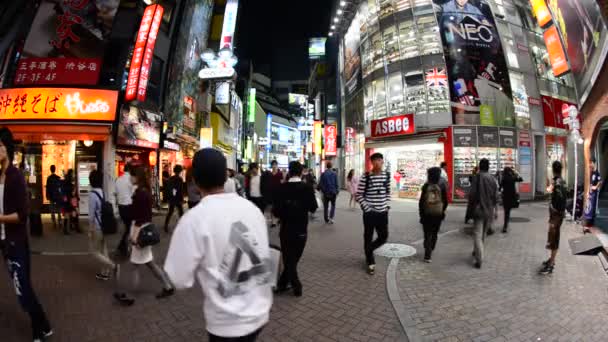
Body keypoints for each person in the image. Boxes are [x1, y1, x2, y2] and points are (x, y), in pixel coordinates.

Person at [164, 148, 273, 342]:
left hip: (227, 323)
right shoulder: (252, 209)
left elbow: (179, 278)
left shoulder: (194, 219)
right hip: (260, 311)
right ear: (225, 176)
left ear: (194, 180)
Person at [0, 127, 53, 341]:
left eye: (0, 146)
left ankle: (39, 331)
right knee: (22, 288)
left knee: (23, 290)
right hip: (4, 242)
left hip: (16, 242)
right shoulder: (0, 176)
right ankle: (44, 326)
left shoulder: (16, 177)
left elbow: (22, 215)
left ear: (7, 149)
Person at [114, 166, 174, 305]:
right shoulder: (145, 191)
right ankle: (167, 286)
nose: (129, 178)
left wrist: (133, 236)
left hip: (140, 230)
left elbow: (138, 218)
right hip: (145, 229)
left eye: (131, 176)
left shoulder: (139, 193)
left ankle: (130, 295)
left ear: (137, 177)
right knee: (149, 263)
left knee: (136, 265)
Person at [273, 161, 318, 297]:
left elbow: (276, 211)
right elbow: (313, 207)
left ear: (289, 172)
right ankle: (295, 285)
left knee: (289, 258)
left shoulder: (281, 188)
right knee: (294, 258)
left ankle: (284, 284)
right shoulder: (307, 188)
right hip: (301, 230)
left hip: (286, 229)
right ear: (301, 172)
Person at [356, 153, 391, 275]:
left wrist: (386, 206)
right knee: (368, 236)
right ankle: (370, 262)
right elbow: (358, 194)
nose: (377, 163)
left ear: (382, 162)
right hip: (370, 213)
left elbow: (387, 192)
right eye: (374, 161)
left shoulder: (387, 176)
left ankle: (368, 250)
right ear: (371, 163)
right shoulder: (366, 177)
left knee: (383, 236)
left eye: (379, 161)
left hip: (382, 213)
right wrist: (367, 208)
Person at [88, 169, 119, 280]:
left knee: (94, 252)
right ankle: (104, 273)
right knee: (103, 249)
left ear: (91, 181)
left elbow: (91, 215)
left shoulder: (92, 194)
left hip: (97, 227)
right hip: (104, 225)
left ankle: (113, 266)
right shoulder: (102, 192)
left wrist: (90, 230)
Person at [467, 159, 498, 269]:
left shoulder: (477, 177)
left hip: (479, 209)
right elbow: (496, 197)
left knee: (477, 234)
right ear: (488, 167)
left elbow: (472, 195)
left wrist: (469, 212)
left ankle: (479, 258)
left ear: (480, 167)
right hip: (489, 210)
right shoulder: (492, 179)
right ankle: (477, 251)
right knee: (483, 233)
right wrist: (496, 211)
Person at [539, 161, 568, 275]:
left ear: (553, 169)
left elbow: (560, 200)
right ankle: (551, 260)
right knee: (553, 238)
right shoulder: (561, 181)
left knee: (554, 238)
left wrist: (555, 210)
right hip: (557, 215)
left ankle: (551, 265)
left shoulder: (558, 182)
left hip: (556, 216)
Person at [419, 167, 449, 263]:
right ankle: (431, 247)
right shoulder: (442, 186)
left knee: (427, 234)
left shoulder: (426, 186)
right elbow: (446, 201)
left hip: (427, 214)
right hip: (438, 214)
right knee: (435, 232)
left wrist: (421, 213)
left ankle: (427, 255)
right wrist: (442, 210)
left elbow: (421, 202)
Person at [115, 163, 135, 257]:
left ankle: (122, 246)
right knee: (129, 227)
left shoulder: (118, 179)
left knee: (127, 226)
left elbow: (115, 193)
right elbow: (134, 193)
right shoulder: (131, 180)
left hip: (121, 207)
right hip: (129, 206)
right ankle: (123, 246)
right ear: (130, 170)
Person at [500, 167, 522, 234]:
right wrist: (516, 173)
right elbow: (521, 179)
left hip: (505, 197)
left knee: (506, 212)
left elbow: (500, 188)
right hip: (511, 197)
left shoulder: (503, 178)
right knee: (508, 211)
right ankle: (505, 225)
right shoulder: (512, 178)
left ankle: (505, 226)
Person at [583, 157, 603, 233]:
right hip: (590, 193)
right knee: (588, 208)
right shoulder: (592, 173)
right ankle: (588, 226)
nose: (590, 164)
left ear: (594, 163)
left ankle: (590, 226)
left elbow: (600, 181)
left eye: (591, 163)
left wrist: (596, 187)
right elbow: (589, 184)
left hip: (594, 194)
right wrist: (588, 192)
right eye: (590, 163)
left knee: (593, 209)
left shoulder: (597, 172)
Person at [164, 165, 184, 233]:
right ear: (180, 171)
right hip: (177, 198)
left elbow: (170, 188)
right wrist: (181, 198)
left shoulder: (171, 178)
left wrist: (171, 196)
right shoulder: (180, 179)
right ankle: (182, 226)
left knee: (170, 211)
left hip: (172, 197)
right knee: (181, 212)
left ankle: (166, 225)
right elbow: (180, 190)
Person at [264, 160, 283, 227]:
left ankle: (278, 218)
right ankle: (273, 221)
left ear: (277, 165)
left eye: (275, 165)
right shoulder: (269, 173)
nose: (274, 166)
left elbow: (282, 182)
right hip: (271, 192)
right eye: (273, 165)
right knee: (272, 207)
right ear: (271, 166)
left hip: (278, 192)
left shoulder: (280, 173)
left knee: (278, 206)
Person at [61, 169, 80, 234]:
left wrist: (65, 199)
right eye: (73, 174)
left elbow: (64, 192)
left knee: (69, 213)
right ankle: (75, 227)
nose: (74, 175)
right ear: (71, 174)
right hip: (71, 199)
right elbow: (73, 193)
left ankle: (67, 228)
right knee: (73, 212)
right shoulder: (71, 183)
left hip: (68, 200)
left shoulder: (66, 181)